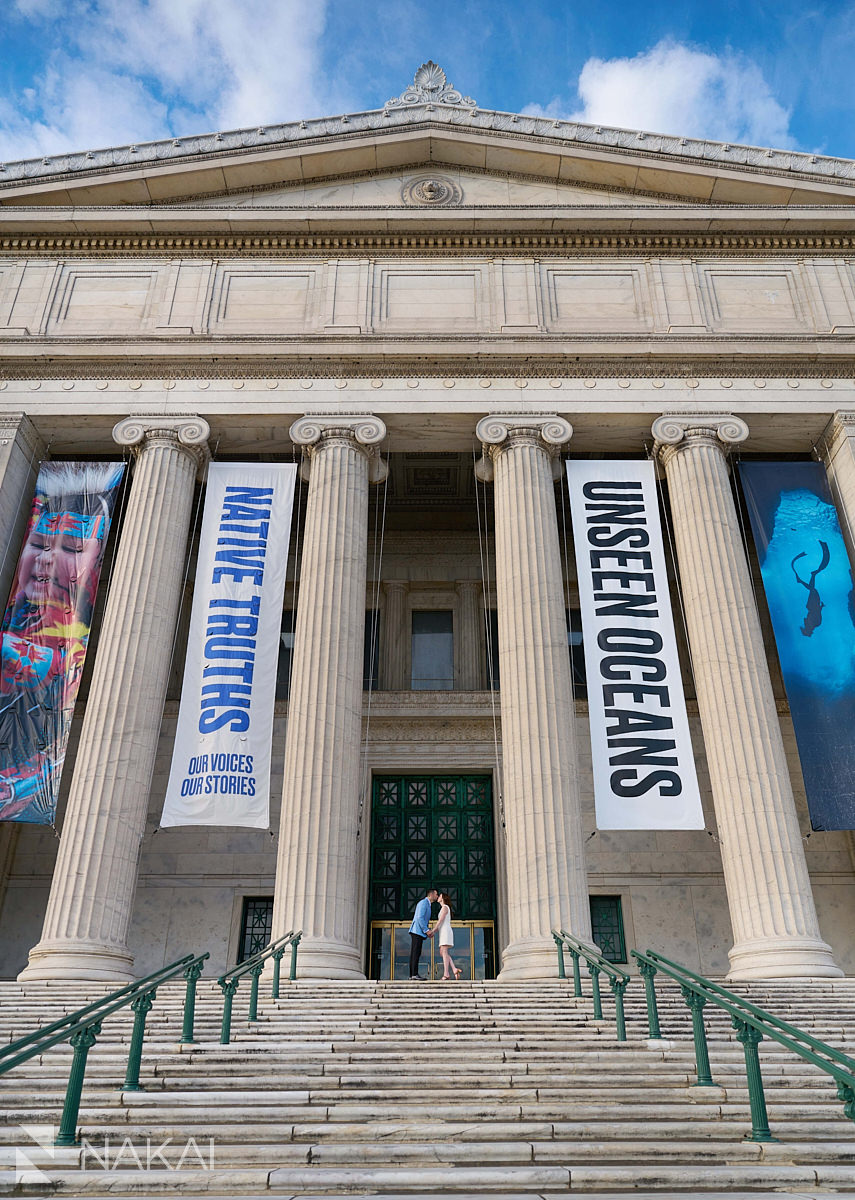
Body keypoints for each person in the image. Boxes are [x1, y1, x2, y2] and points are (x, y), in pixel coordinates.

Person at [408, 885, 438, 980]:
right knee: (415, 953)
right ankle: (413, 974)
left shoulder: (426, 904)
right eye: (436, 894)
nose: (437, 896)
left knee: (416, 952)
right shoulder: (424, 903)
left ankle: (413, 974)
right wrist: (426, 930)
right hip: (417, 931)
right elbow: (420, 918)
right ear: (431, 894)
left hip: (418, 932)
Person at [434, 892, 461, 980]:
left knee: (444, 952)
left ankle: (446, 974)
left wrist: (434, 930)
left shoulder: (445, 907)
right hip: (443, 931)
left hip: (445, 931)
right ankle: (454, 969)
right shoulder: (443, 908)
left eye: (440, 895)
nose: (438, 897)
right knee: (442, 952)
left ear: (443, 898)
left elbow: (441, 920)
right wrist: (436, 930)